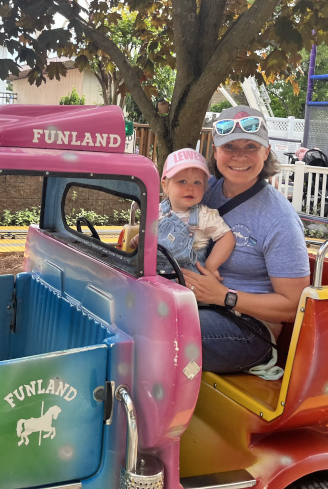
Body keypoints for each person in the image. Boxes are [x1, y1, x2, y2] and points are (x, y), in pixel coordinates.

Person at [182, 105, 310, 379]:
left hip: (249, 330)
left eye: (251, 146)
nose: (239, 156)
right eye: (229, 147)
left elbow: (295, 303)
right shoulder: (206, 189)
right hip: (197, 304)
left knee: (164, 328)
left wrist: (223, 296)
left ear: (266, 152)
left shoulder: (279, 219)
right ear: (215, 152)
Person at [132, 148, 235, 280]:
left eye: (197, 182)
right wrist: (140, 238)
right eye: (182, 181)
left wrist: (211, 266)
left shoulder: (204, 216)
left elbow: (227, 237)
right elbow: (151, 231)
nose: (190, 187)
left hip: (188, 280)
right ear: (165, 186)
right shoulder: (157, 210)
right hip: (155, 275)